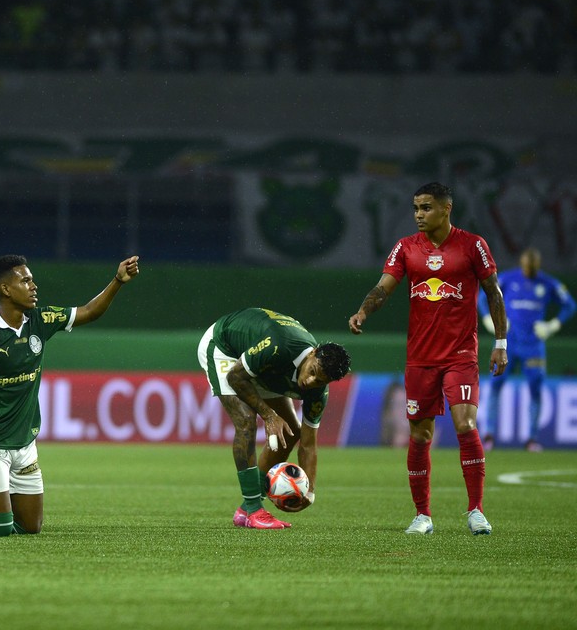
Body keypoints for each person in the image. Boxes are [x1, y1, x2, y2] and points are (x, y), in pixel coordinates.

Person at [0, 254, 140, 536]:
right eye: (25, 281)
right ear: (6, 289)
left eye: (32, 280)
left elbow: (90, 311)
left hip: (25, 444)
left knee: (30, 527)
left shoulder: (40, 320)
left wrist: (118, 281)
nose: (33, 286)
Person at [348, 181, 508, 536]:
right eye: (416, 208)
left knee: (465, 424)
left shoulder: (473, 245)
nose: (419, 215)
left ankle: (476, 511)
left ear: (446, 208)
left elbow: (493, 292)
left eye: (426, 208)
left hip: (460, 355)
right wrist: (363, 312)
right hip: (420, 358)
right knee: (420, 435)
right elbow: (383, 287)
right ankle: (422, 515)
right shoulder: (406, 247)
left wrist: (501, 342)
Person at [197, 307, 351, 529]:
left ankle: (246, 509)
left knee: (291, 432)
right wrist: (269, 416)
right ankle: (253, 510)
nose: (310, 382)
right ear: (313, 353)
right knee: (246, 422)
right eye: (312, 371)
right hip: (225, 346)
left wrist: (309, 492)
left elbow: (308, 443)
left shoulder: (318, 393)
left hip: (262, 368)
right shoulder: (280, 346)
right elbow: (236, 377)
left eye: (319, 381)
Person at [478, 247, 576, 452]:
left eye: (532, 268)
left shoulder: (548, 283)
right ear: (522, 264)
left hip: (533, 345)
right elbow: (482, 296)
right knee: (495, 385)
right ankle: (489, 435)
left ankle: (532, 438)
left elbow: (569, 305)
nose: (528, 271)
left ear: (537, 266)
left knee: (535, 389)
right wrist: (487, 318)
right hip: (508, 343)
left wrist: (553, 325)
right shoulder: (508, 279)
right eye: (526, 267)